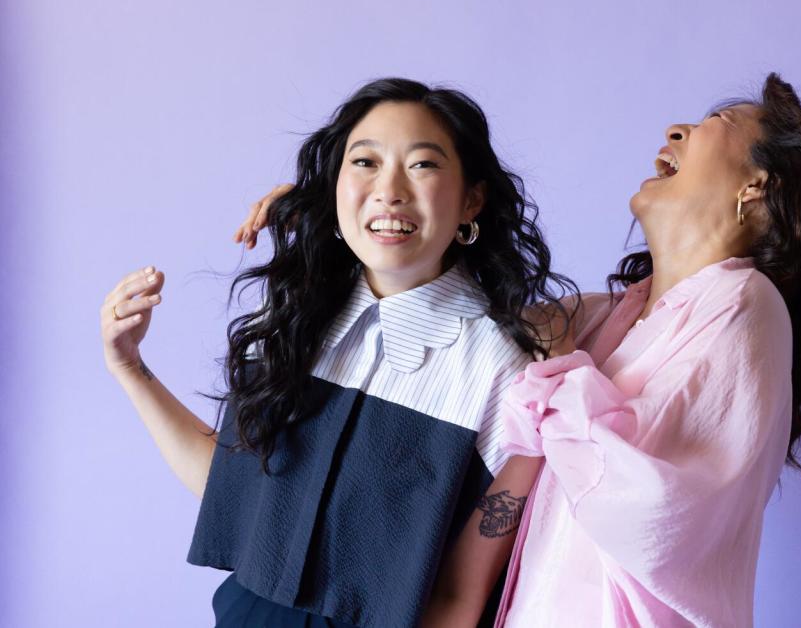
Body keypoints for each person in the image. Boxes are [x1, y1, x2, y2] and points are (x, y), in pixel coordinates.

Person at [240, 73, 801, 627]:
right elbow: (452, 319)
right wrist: (338, 222)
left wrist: (552, 370)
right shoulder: (610, 319)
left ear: (756, 186)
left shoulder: (746, 305)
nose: (674, 131)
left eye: (713, 122)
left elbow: (651, 507)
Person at [100, 78, 577, 627]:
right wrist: (131, 368)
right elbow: (235, 493)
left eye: (423, 165)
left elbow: (459, 600)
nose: (389, 190)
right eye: (365, 163)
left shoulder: (506, 370)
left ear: (472, 198)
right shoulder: (302, 317)